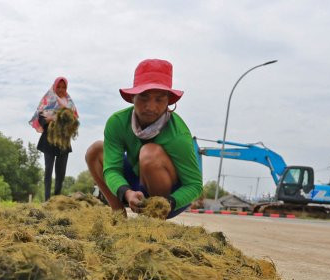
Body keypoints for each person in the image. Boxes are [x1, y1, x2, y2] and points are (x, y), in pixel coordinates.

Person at [85, 59, 203, 218]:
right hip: (135, 182)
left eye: (159, 99)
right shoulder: (118, 123)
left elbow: (194, 185)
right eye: (143, 97)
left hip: (170, 199)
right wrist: (126, 193)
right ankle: (118, 214)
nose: (150, 107)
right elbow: (112, 169)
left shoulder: (179, 135)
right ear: (132, 97)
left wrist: (169, 202)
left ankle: (153, 218)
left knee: (149, 153)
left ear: (169, 101)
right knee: (95, 150)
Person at [30, 77, 78, 201]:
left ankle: (56, 199)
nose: (61, 89)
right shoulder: (47, 100)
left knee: (61, 172)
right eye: (59, 87)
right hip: (49, 140)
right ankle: (47, 199)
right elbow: (40, 119)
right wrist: (51, 119)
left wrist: (67, 121)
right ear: (54, 87)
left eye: (64, 87)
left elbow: (74, 120)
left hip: (64, 141)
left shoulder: (69, 103)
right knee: (48, 170)